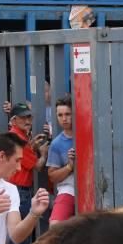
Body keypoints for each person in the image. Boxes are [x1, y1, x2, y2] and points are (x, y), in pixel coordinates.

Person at [6, 102, 49, 244]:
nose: (28, 121)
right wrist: (43, 154)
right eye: (23, 118)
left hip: (14, 189)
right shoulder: (19, 140)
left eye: (29, 117)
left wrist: (32, 147)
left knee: (14, 234)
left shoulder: (13, 136)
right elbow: (37, 166)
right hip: (20, 191)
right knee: (21, 236)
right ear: (14, 120)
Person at [46, 96, 76, 224]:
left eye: (68, 114)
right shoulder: (56, 143)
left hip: (93, 188)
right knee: (55, 225)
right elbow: (52, 176)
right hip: (68, 189)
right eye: (60, 115)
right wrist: (69, 167)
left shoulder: (90, 133)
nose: (64, 119)